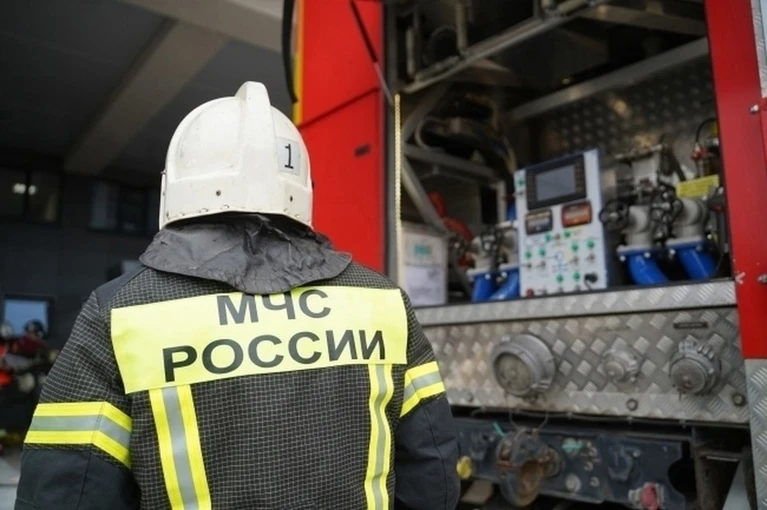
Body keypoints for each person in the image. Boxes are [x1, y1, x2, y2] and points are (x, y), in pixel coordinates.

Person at [15, 82, 460, 510]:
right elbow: (433, 476)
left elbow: (69, 490)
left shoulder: (120, 313)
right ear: (303, 191)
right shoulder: (382, 302)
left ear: (173, 189)